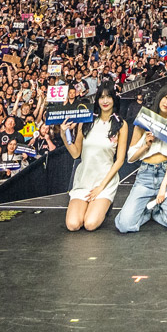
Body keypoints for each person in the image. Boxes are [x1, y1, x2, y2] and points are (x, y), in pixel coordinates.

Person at [114, 82, 167, 234]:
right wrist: (146, 145)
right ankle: (146, 214)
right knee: (124, 226)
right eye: (166, 97)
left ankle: (156, 213)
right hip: (145, 176)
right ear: (160, 96)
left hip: (166, 177)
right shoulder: (144, 120)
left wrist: (163, 187)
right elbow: (131, 158)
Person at [63, 83, 123, 232]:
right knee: (73, 225)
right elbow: (76, 153)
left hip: (104, 183)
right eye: (102, 97)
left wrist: (101, 187)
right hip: (84, 180)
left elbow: (120, 160)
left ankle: (105, 204)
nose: (105, 101)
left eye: (109, 96)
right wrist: (63, 135)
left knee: (90, 224)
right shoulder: (86, 121)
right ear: (97, 100)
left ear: (114, 99)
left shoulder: (121, 125)